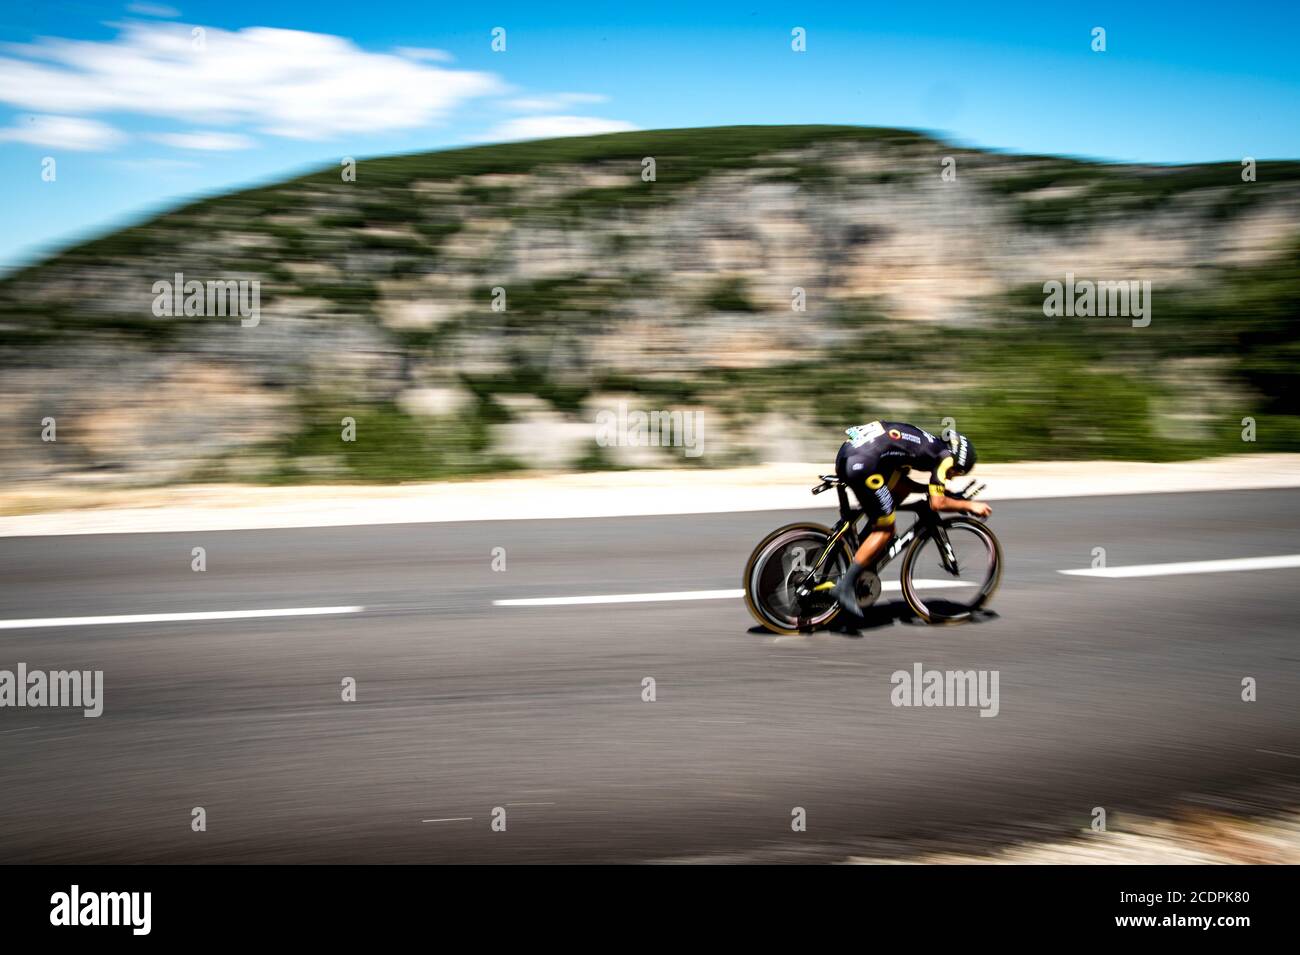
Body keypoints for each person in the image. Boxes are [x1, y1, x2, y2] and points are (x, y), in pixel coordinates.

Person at [831, 421, 991, 615]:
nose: (950, 478)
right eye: (955, 474)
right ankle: (845, 586)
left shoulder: (926, 444)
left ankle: (861, 551)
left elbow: (904, 485)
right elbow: (937, 504)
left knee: (894, 498)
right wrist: (970, 505)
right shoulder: (946, 457)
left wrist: (941, 493)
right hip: (863, 463)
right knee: (886, 530)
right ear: (958, 464)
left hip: (850, 455)